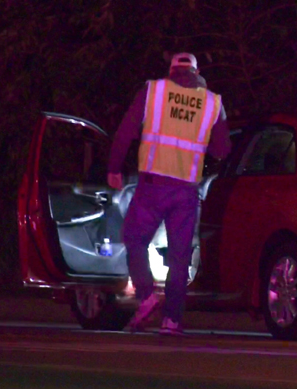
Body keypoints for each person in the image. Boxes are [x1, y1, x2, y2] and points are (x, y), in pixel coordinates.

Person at [107, 52, 231, 335]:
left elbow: (126, 131)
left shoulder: (153, 91)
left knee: (134, 238)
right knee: (179, 256)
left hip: (153, 186)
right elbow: (223, 150)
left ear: (172, 70)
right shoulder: (213, 103)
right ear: (197, 72)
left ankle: (147, 295)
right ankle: (172, 320)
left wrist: (114, 167)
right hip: (186, 190)